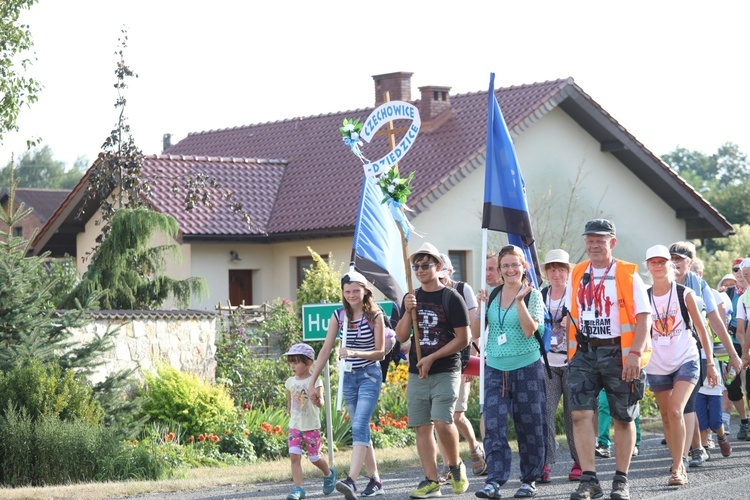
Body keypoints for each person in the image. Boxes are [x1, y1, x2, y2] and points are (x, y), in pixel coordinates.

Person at [565, 219, 651, 500]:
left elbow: (643, 317)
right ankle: (589, 479)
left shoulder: (628, 274)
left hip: (620, 353)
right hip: (586, 352)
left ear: (612, 242)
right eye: (589, 240)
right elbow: (571, 314)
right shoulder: (577, 272)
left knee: (623, 418)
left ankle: (621, 480)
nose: (594, 245)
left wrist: (635, 354)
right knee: (580, 414)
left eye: (600, 240)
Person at [394, 242, 470, 499]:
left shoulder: (452, 297)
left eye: (425, 265)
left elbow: (464, 338)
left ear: (438, 267)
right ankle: (430, 480)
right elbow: (401, 336)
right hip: (418, 372)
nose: (420, 270)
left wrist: (433, 357)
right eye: (416, 266)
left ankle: (454, 466)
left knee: (442, 420)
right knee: (422, 426)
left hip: (445, 369)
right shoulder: (411, 297)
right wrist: (407, 310)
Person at [474, 245, 547, 500]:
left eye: (515, 264)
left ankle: (529, 479)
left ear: (523, 266)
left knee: (529, 425)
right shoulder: (493, 295)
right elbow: (475, 332)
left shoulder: (533, 295)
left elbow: (530, 331)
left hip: (527, 367)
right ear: (500, 269)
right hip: (495, 366)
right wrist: (479, 308)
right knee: (493, 425)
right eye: (505, 265)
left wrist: (519, 302)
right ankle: (494, 480)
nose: (510, 269)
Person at [643, 244, 718, 486]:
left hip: (686, 358)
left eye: (662, 261)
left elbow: (703, 331)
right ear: (648, 266)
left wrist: (711, 364)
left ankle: (678, 467)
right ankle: (677, 459)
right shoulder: (644, 297)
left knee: (676, 409)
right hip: (657, 363)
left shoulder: (685, 294)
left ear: (670, 265)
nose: (658, 265)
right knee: (666, 416)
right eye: (653, 262)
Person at [308, 271, 386, 499]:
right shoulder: (339, 316)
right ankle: (376, 481)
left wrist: (353, 352)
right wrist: (312, 381)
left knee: (360, 423)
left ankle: (351, 480)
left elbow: (380, 353)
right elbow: (325, 350)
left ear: (365, 291)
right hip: (348, 378)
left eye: (356, 290)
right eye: (347, 291)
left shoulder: (375, 316)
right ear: (343, 293)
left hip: (369, 375)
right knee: (361, 427)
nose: (352, 295)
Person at [668, 241, 743, 466]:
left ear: (690, 262)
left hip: (696, 352)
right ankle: (692, 448)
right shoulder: (661, 284)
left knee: (689, 403)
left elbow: (717, 323)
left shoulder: (701, 287)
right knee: (675, 407)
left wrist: (732, 354)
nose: (675, 262)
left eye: (680, 258)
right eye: (672, 257)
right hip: (667, 354)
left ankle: (696, 448)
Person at [436, 253, 486, 481]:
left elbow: (471, 331)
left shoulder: (462, 289)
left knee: (456, 415)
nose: (441, 277)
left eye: (444, 272)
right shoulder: (429, 293)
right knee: (440, 417)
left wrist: (469, 363)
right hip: (439, 364)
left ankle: (475, 446)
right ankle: (448, 464)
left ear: (450, 271)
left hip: (461, 360)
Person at [538, 248, 581, 482]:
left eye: (560, 269)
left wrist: (574, 323)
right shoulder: (540, 295)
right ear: (546, 272)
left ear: (568, 271)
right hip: (547, 364)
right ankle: (545, 462)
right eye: (552, 269)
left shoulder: (576, 294)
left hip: (573, 363)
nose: (556, 273)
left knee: (574, 416)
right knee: (544, 412)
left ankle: (579, 461)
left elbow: (589, 323)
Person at [283, 343, 338, 500]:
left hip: (311, 426)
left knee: (314, 458)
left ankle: (328, 473)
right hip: (294, 426)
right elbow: (290, 403)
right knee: (294, 456)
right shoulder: (290, 382)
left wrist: (317, 399)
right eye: (291, 362)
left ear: (308, 363)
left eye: (296, 362)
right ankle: (298, 488)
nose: (292, 366)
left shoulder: (315, 381)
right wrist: (291, 415)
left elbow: (321, 403)